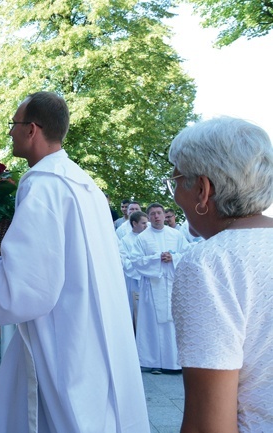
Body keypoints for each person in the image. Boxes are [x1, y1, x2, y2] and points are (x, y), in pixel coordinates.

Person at [0, 91, 149, 433]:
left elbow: (28, 286)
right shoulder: (85, 184)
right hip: (95, 326)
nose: (9, 133)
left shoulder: (42, 185)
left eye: (14, 125)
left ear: (32, 129)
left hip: (61, 334)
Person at [168, 117, 273, 432]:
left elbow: (208, 424)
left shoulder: (211, 263)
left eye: (175, 180)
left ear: (202, 189)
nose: (173, 194)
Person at [129, 202, 188, 374]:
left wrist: (174, 257)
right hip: (151, 287)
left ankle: (175, 363)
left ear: (164, 215)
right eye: (152, 213)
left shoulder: (176, 235)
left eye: (159, 213)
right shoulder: (142, 238)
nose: (156, 216)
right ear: (148, 216)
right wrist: (157, 259)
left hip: (171, 285)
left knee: (172, 323)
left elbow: (188, 253)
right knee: (152, 324)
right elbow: (135, 260)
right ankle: (153, 361)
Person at [118, 210, 149, 325]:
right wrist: (143, 267)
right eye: (143, 223)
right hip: (134, 281)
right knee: (137, 314)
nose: (147, 226)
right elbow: (125, 262)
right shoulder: (125, 240)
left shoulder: (148, 237)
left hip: (149, 279)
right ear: (134, 224)